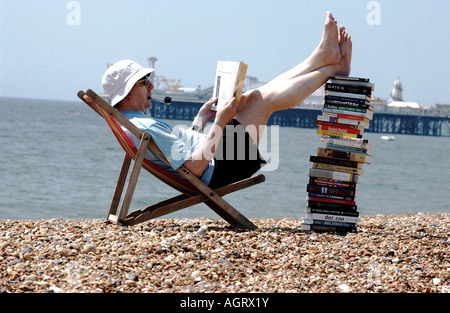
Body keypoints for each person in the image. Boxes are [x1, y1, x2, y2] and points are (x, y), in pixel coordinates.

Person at [101, 12, 352, 189]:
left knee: (253, 96)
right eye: (144, 82)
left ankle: (320, 59)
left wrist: (201, 119)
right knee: (261, 101)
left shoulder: (133, 123)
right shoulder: (144, 128)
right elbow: (194, 168)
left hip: (215, 157)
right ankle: (330, 69)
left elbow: (180, 151)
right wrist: (220, 121)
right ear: (128, 93)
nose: (152, 86)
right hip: (221, 167)